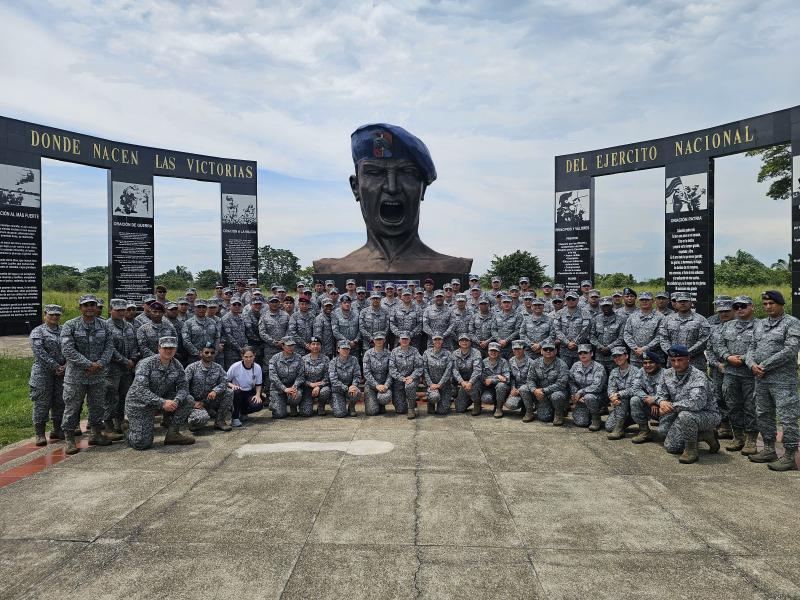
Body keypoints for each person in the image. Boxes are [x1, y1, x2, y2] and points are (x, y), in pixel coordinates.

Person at [313, 123, 472, 275]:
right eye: (375, 173)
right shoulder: (334, 269)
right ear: (356, 187)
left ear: (422, 188)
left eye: (406, 172)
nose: (392, 187)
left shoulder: (451, 266)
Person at [745, 290, 800, 471]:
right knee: (763, 414)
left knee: (787, 418)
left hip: (783, 381)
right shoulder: (760, 324)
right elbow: (751, 347)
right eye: (765, 304)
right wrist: (752, 364)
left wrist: (764, 365)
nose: (768, 307)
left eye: (772, 304)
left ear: (781, 304)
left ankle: (790, 456)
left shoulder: (792, 323)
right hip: (761, 379)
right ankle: (769, 449)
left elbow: (790, 350)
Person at [60, 294, 114, 454]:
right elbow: (67, 349)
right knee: (72, 407)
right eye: (86, 305)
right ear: (80, 308)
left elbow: (109, 347)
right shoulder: (70, 325)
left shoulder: (104, 326)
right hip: (76, 376)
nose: (89, 308)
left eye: (92, 305)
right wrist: (88, 364)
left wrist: (100, 364)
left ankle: (96, 434)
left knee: (97, 406)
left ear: (96, 307)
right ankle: (69, 439)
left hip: (97, 375)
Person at [125, 336, 195, 450]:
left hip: (162, 399)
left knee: (188, 400)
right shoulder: (146, 364)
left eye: (172, 348)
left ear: (176, 349)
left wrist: (176, 401)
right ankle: (129, 430)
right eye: (165, 347)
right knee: (142, 444)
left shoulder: (177, 365)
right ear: (159, 348)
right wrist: (162, 403)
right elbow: (140, 390)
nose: (168, 351)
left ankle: (173, 434)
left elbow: (183, 387)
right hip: (139, 404)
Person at [657, 344, 720, 464]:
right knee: (663, 433)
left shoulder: (698, 376)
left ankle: (691, 450)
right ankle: (704, 435)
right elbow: (661, 393)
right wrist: (661, 402)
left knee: (685, 417)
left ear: (688, 359)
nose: (676, 364)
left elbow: (696, 403)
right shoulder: (667, 374)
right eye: (673, 360)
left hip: (706, 414)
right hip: (680, 412)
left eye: (680, 360)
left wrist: (671, 406)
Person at [713, 295, 758, 455]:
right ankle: (738, 437)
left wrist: (745, 358)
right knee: (732, 405)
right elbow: (718, 345)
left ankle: (751, 439)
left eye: (743, 306)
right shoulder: (727, 326)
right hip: (730, 373)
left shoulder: (760, 326)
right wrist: (727, 356)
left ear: (752, 307)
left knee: (751, 407)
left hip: (750, 374)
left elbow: (762, 346)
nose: (740, 309)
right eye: (737, 306)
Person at [29, 304, 66, 445]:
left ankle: (57, 429)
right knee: (42, 402)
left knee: (60, 401)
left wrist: (65, 366)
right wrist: (55, 366)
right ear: (45, 315)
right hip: (42, 373)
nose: (55, 317)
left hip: (62, 372)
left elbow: (71, 347)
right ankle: (40, 433)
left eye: (57, 315)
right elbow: (39, 352)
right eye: (52, 314)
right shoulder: (38, 331)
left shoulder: (64, 331)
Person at [104, 299, 138, 439]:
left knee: (124, 395)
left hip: (127, 369)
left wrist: (133, 359)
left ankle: (119, 422)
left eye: (123, 310)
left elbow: (136, 345)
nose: (121, 312)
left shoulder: (129, 326)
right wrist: (124, 361)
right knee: (111, 396)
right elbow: (109, 348)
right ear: (110, 310)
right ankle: (108, 425)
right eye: (117, 310)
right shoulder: (105, 326)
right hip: (112, 369)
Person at [185, 342, 233, 431]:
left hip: (210, 400)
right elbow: (183, 386)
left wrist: (215, 391)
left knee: (229, 392)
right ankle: (192, 418)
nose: (209, 355)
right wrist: (192, 402)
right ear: (200, 353)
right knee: (200, 420)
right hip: (196, 403)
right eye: (206, 352)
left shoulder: (218, 367)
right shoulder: (192, 367)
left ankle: (220, 421)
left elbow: (224, 381)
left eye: (212, 353)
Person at [706, 299, 736, 439]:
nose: (723, 314)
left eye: (727, 311)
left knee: (737, 400)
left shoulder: (740, 326)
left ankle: (740, 431)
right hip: (719, 369)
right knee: (719, 397)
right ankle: (725, 425)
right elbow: (710, 350)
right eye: (721, 311)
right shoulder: (714, 328)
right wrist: (717, 365)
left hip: (738, 370)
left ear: (734, 310)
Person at [659, 292, 711, 371]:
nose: (683, 303)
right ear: (676, 304)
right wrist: (671, 352)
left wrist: (686, 353)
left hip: (695, 362)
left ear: (691, 303)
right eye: (680, 301)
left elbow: (704, 340)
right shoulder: (667, 319)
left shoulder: (701, 320)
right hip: (673, 362)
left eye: (685, 301)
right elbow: (663, 338)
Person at [629, 350, 667, 444]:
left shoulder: (666, 373)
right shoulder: (642, 371)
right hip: (650, 406)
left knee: (665, 437)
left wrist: (655, 401)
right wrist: (646, 398)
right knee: (635, 400)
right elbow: (635, 388)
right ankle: (644, 431)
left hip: (664, 409)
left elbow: (669, 394)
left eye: (651, 362)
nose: (647, 365)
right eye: (645, 363)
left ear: (658, 364)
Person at [529, 339, 569, 424]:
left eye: (551, 349)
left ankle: (559, 413)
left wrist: (543, 390)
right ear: (541, 351)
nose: (548, 351)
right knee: (544, 418)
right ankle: (535, 409)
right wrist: (534, 390)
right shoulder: (535, 363)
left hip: (555, 393)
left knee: (557, 396)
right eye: (545, 349)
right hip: (541, 395)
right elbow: (530, 379)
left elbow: (561, 384)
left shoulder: (562, 364)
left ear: (555, 351)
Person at [568, 344, 607, 430]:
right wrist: (575, 394)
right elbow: (570, 381)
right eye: (580, 353)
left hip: (597, 397)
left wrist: (580, 392)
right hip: (580, 399)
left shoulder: (599, 367)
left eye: (585, 352)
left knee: (589, 397)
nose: (582, 355)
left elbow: (597, 386)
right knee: (581, 423)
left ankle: (596, 418)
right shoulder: (575, 366)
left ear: (591, 354)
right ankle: (586, 414)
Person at [604, 347, 640, 439]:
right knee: (609, 427)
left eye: (620, 355)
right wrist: (612, 397)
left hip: (634, 404)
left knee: (623, 397)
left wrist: (618, 394)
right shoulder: (614, 371)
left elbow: (635, 389)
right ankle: (623, 421)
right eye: (615, 357)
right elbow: (611, 388)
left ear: (626, 356)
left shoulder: (636, 371)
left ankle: (620, 428)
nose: (617, 358)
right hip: (619, 404)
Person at [259, 296, 290, 395]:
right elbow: (262, 333)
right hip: (270, 349)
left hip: (284, 348)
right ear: (268, 303)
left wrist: (283, 342)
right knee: (269, 370)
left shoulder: (286, 315)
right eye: (272, 301)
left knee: (285, 370)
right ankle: (268, 394)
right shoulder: (264, 316)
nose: (275, 303)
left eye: (276, 301)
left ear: (279, 302)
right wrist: (274, 342)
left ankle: (285, 393)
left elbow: (290, 330)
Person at [623, 295, 664, 369]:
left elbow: (660, 336)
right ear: (638, 301)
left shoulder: (660, 317)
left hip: (653, 357)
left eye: (647, 300)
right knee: (636, 379)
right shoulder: (632, 316)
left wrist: (644, 349)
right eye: (642, 300)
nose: (644, 301)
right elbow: (627, 333)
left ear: (652, 301)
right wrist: (635, 348)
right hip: (635, 357)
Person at [389, 331, 424, 417]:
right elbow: (392, 368)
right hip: (398, 381)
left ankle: (411, 408)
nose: (404, 341)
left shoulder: (415, 351)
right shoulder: (394, 352)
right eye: (403, 339)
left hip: (411, 380)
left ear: (409, 340)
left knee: (409, 386)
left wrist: (412, 377)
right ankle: (408, 401)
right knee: (400, 410)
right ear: (399, 340)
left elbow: (419, 367)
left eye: (406, 339)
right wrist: (401, 378)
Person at [268, 336, 303, 419]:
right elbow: (273, 376)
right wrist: (284, 388)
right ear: (283, 346)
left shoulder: (298, 357)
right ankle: (273, 403)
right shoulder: (275, 358)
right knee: (279, 415)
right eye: (289, 345)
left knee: (297, 395)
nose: (291, 348)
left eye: (293, 345)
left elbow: (301, 375)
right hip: (278, 388)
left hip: (293, 386)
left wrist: (295, 387)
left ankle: (293, 406)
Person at [589, 297, 627, 374]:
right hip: (599, 355)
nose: (606, 308)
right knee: (599, 378)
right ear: (600, 306)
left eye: (608, 305)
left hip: (615, 356)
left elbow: (622, 337)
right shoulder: (596, 319)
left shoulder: (621, 319)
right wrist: (600, 346)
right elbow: (592, 335)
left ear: (612, 305)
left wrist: (609, 348)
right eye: (603, 306)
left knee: (615, 377)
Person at [228, 346, 264, 426]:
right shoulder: (235, 366)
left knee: (258, 404)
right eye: (246, 357)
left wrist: (258, 395)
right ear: (242, 356)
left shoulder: (257, 367)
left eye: (251, 356)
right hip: (237, 392)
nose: (248, 359)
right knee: (236, 392)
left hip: (249, 392)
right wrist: (232, 385)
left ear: (254, 355)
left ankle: (243, 412)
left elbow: (258, 384)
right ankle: (235, 418)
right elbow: (225, 380)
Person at [553, 291, 590, 367]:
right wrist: (567, 343)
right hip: (564, 350)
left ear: (578, 300)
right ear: (565, 300)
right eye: (569, 299)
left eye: (573, 299)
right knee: (565, 371)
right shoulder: (559, 313)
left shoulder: (585, 313)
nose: (571, 301)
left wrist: (575, 342)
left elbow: (586, 330)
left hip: (580, 350)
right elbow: (557, 329)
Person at [452, 333, 483, 415]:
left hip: (474, 382)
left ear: (470, 342)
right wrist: (462, 382)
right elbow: (454, 370)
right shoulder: (455, 354)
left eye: (466, 340)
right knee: (459, 409)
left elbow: (477, 370)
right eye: (462, 340)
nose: (464, 342)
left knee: (473, 388)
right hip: (463, 383)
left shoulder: (476, 353)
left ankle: (477, 403)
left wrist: (470, 382)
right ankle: (469, 399)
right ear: (459, 343)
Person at [329, 340, 362, 417]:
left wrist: (353, 386)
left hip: (350, 388)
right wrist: (347, 388)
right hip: (338, 391)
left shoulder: (354, 360)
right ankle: (334, 402)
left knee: (357, 392)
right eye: (343, 349)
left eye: (347, 349)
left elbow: (357, 375)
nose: (345, 351)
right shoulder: (333, 362)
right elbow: (334, 380)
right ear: (338, 350)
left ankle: (351, 406)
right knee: (340, 414)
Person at [362, 332, 393, 416]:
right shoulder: (368, 354)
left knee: (384, 398)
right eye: (377, 339)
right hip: (371, 386)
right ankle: (374, 402)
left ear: (384, 340)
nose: (379, 341)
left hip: (384, 385)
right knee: (371, 412)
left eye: (381, 339)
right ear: (373, 341)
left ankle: (381, 404)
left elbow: (391, 372)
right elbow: (366, 372)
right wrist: (376, 385)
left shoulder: (389, 354)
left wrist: (386, 385)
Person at [422, 334, 453, 415]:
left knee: (442, 411)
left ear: (442, 341)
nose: (437, 341)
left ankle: (445, 402)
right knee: (434, 397)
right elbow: (424, 370)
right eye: (435, 339)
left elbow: (448, 371)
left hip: (444, 385)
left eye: (439, 339)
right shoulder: (426, 353)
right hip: (431, 385)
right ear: (432, 341)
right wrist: (430, 384)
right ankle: (431, 403)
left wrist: (440, 384)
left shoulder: (448, 354)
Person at [301, 337, 331, 416]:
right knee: (306, 413)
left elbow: (328, 376)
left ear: (320, 346)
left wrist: (319, 386)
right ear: (309, 346)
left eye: (318, 344)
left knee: (326, 391)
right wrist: (310, 384)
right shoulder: (303, 359)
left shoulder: (326, 359)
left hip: (321, 387)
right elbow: (300, 376)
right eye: (313, 344)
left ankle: (321, 406)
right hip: (307, 388)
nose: (315, 346)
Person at [505, 340, 534, 419]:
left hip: (528, 388)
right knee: (511, 404)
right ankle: (523, 405)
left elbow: (532, 380)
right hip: (515, 388)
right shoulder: (511, 360)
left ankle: (529, 411)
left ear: (524, 349)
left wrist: (519, 390)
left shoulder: (531, 362)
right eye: (515, 349)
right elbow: (511, 377)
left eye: (519, 349)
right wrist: (513, 388)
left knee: (523, 389)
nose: (516, 351)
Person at [482, 342, 510, 418]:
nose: (493, 352)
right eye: (491, 351)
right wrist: (498, 376)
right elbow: (483, 379)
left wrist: (491, 380)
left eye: (496, 351)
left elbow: (506, 379)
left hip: (502, 389)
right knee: (486, 399)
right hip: (489, 388)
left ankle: (499, 408)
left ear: (499, 352)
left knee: (501, 385)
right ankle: (494, 403)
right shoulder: (484, 362)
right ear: (488, 351)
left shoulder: (504, 362)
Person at [220, 296, 247, 368]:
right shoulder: (226, 318)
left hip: (242, 351)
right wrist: (240, 348)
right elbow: (228, 336)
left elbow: (244, 333)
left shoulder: (241, 317)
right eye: (234, 304)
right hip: (231, 352)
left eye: (239, 305)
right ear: (230, 306)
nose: (237, 306)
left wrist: (245, 347)